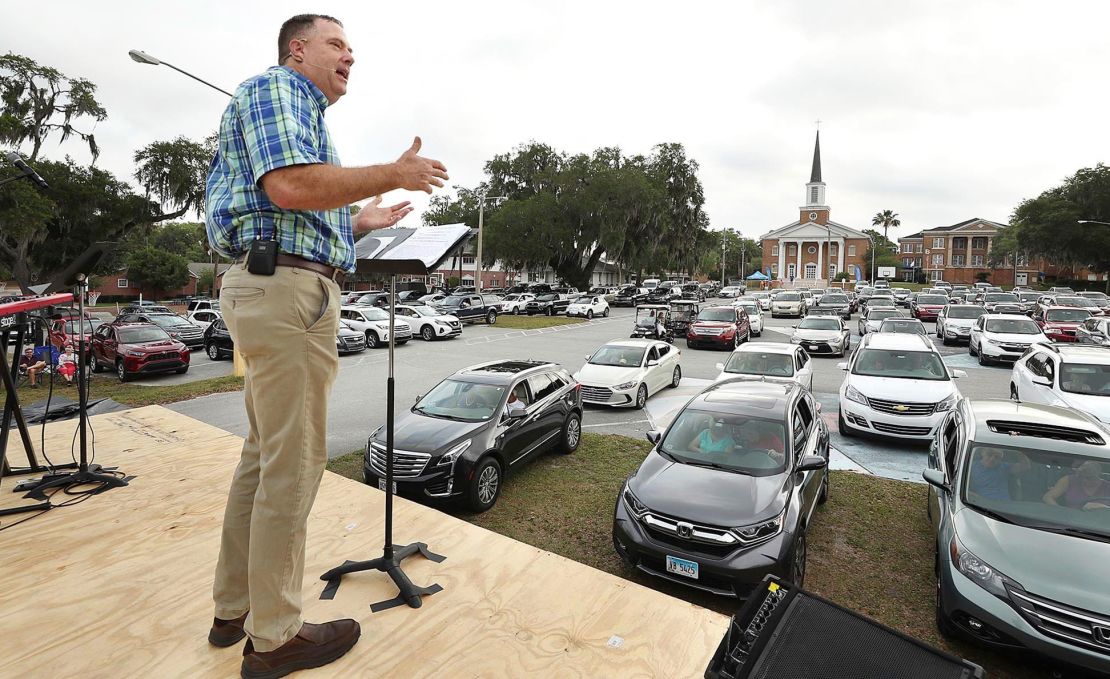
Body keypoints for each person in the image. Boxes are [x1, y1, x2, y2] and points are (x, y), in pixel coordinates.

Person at [204, 14, 448, 676]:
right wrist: (391, 173)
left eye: (351, 46)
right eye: (337, 44)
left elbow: (295, 201)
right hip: (285, 292)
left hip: (272, 282)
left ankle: (235, 608)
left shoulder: (301, 111)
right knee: (296, 460)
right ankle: (276, 635)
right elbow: (289, 185)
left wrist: (360, 219)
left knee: (264, 454)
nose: (351, 54)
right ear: (298, 49)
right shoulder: (278, 91)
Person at [1043, 460, 1110, 511]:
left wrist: (1103, 508)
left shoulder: (1108, 487)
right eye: (1081, 476)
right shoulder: (1069, 480)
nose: (1084, 480)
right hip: (1071, 521)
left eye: (1089, 478)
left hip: (1101, 524)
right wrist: (1061, 511)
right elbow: (1048, 497)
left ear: (1098, 474)